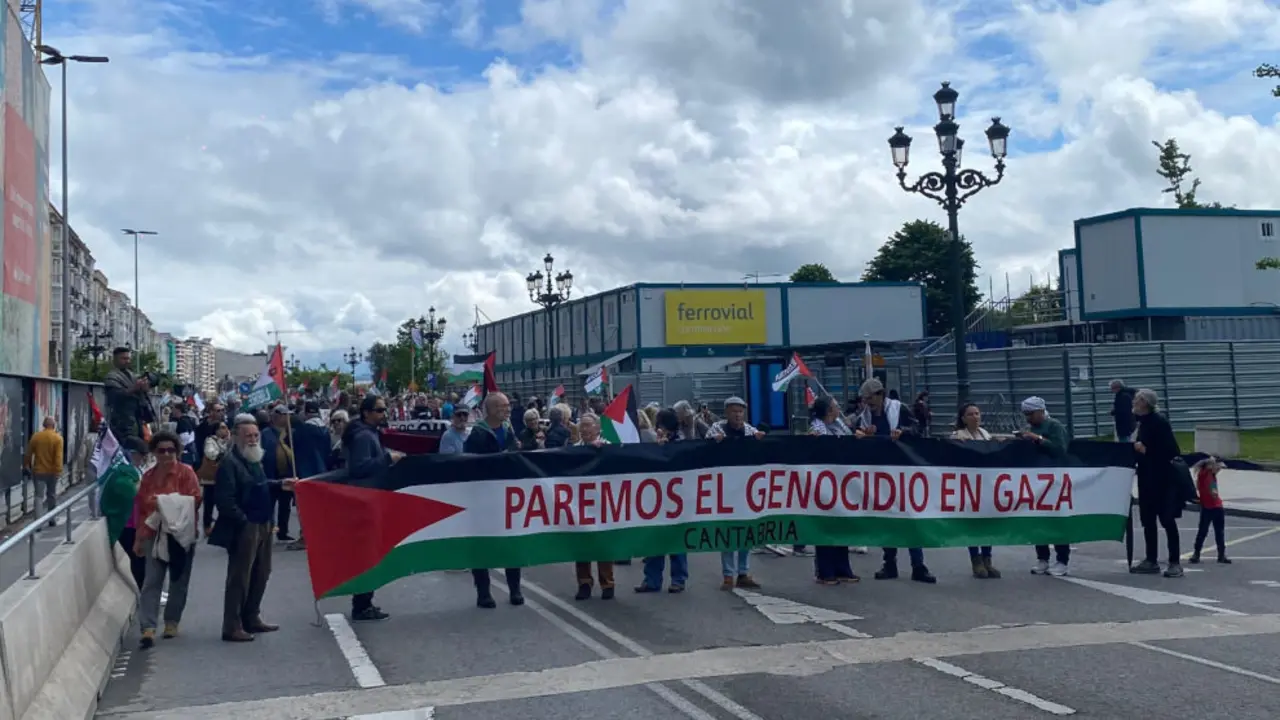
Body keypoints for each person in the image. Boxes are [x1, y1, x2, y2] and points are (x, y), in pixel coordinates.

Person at [854, 379, 934, 584]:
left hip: (903, 471)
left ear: (880, 395)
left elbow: (917, 429)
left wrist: (903, 432)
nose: (867, 403)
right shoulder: (865, 416)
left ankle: (918, 565)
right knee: (886, 519)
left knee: (910, 518)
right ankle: (889, 563)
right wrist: (862, 435)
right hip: (881, 473)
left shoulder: (900, 409)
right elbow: (855, 433)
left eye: (870, 399)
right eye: (865, 400)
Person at [213, 413, 280, 642]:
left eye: (255, 435)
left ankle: (251, 616)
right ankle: (232, 625)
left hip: (264, 522)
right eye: (248, 436)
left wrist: (280, 484)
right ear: (236, 437)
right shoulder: (230, 462)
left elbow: (259, 485)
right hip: (245, 527)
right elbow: (225, 500)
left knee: (262, 572)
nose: (252, 440)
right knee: (240, 577)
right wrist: (243, 521)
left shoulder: (254, 459)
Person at [133, 431, 202, 648]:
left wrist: (165, 503)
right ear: (154, 452)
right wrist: (139, 539)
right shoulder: (148, 477)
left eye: (171, 450)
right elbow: (142, 508)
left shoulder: (186, 473)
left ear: (177, 452)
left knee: (179, 581)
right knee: (152, 581)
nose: (166, 455)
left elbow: (195, 499)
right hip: (154, 533)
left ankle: (172, 621)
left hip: (181, 534)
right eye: (161, 450)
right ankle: (148, 628)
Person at [342, 394, 402, 620]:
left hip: (370, 497)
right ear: (366, 413)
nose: (383, 413)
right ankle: (362, 604)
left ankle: (364, 601)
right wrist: (388, 458)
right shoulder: (363, 436)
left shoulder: (369, 433)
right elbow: (359, 468)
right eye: (379, 410)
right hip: (365, 499)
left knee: (371, 552)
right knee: (367, 553)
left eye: (384, 409)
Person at [464, 392, 524, 608]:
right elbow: (469, 465)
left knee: (511, 544)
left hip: (507, 497)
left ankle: (515, 589)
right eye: (502, 406)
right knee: (482, 545)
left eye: (508, 405)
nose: (507, 409)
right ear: (490, 409)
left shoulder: (509, 431)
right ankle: (483, 593)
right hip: (483, 498)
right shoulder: (477, 435)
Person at [1130, 388, 1184, 578]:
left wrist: (1146, 450)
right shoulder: (1142, 422)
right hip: (1146, 478)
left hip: (1163, 479)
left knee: (1167, 520)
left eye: (1137, 399)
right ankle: (1151, 559)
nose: (1134, 402)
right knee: (1148, 520)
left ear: (1145, 402)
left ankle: (1175, 562)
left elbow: (1172, 451)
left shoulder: (1159, 422)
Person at [637, 409, 690, 594]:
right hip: (658, 497)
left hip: (676, 498)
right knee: (654, 539)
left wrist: (664, 449)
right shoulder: (656, 441)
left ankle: (678, 579)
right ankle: (652, 580)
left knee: (676, 540)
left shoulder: (680, 443)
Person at [1018, 396, 1072, 577]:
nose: (1028, 418)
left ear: (1041, 411)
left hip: (1055, 479)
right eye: (1026, 414)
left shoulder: (1054, 426)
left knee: (1057, 520)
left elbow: (1060, 449)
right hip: (1036, 479)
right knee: (1038, 519)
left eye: (1030, 414)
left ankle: (1062, 560)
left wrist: (1039, 439)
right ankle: (1042, 557)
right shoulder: (1030, 428)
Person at [809, 396, 857, 584]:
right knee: (826, 525)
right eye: (836, 406)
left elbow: (849, 442)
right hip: (824, 482)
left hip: (842, 481)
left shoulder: (840, 425)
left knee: (842, 524)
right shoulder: (817, 428)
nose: (839, 409)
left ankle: (842, 568)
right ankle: (825, 570)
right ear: (829, 410)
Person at [951, 403, 1000, 579]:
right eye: (971, 414)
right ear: (963, 418)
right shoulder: (958, 436)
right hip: (969, 486)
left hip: (986, 485)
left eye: (977, 413)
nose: (975, 417)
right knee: (973, 524)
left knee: (988, 523)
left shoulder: (985, 434)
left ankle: (987, 559)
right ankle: (976, 560)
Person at [104, 437, 149, 590]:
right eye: (142, 455)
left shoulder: (131, 469)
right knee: (138, 559)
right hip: (126, 523)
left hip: (136, 521)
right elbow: (130, 491)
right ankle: (143, 590)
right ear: (133, 453)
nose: (143, 460)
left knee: (142, 559)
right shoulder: (121, 471)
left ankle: (146, 589)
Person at [260, 405, 298, 542]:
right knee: (269, 504)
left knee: (285, 505)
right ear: (278, 416)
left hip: (287, 473)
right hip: (271, 474)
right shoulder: (266, 433)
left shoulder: (291, 433)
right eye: (286, 415)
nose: (288, 418)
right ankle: (267, 530)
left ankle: (283, 530)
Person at [103, 347, 149, 442]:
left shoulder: (132, 375)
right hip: (120, 422)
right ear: (115, 359)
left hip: (136, 419)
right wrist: (134, 388)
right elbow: (116, 396)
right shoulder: (112, 376)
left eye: (128, 358)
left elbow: (140, 394)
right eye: (123, 358)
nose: (127, 361)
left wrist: (144, 388)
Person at [24, 417, 64, 526]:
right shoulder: (58, 438)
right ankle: (52, 519)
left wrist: (26, 465)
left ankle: (37, 523)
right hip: (52, 472)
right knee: (51, 495)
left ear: (44, 425)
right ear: (54, 425)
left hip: (39, 472)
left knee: (38, 496)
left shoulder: (36, 437)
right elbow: (58, 457)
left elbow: (28, 453)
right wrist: (58, 471)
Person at [1190, 456, 1230, 564]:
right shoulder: (1205, 475)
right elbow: (1211, 491)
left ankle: (1218, 554)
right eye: (1218, 468)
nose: (1219, 470)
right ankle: (1199, 553)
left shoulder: (1210, 476)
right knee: (1208, 531)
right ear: (1211, 466)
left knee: (1213, 531)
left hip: (1213, 506)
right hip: (1210, 506)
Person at [198, 422, 231, 535]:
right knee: (209, 503)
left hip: (223, 477)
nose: (225, 430)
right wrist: (222, 454)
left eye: (226, 427)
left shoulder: (227, 440)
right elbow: (210, 454)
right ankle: (207, 526)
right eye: (222, 428)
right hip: (211, 478)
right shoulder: (210, 440)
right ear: (216, 430)